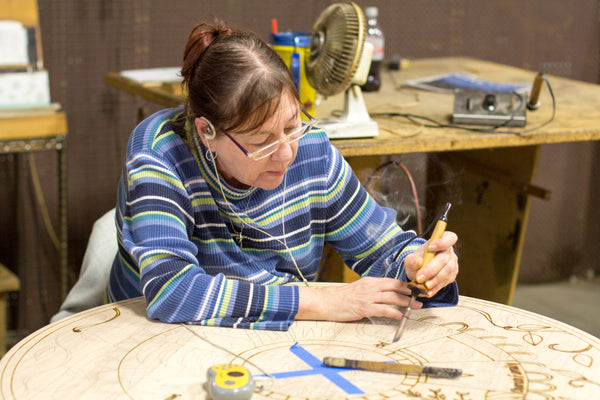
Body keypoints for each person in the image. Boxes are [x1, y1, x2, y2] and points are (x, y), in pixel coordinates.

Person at [107, 20, 459, 331]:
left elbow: (385, 250)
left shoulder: (310, 150)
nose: (287, 153)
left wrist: (418, 265)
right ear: (206, 132)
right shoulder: (159, 154)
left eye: (292, 126)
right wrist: (324, 303)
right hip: (154, 335)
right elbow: (173, 292)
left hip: (276, 331)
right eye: (261, 142)